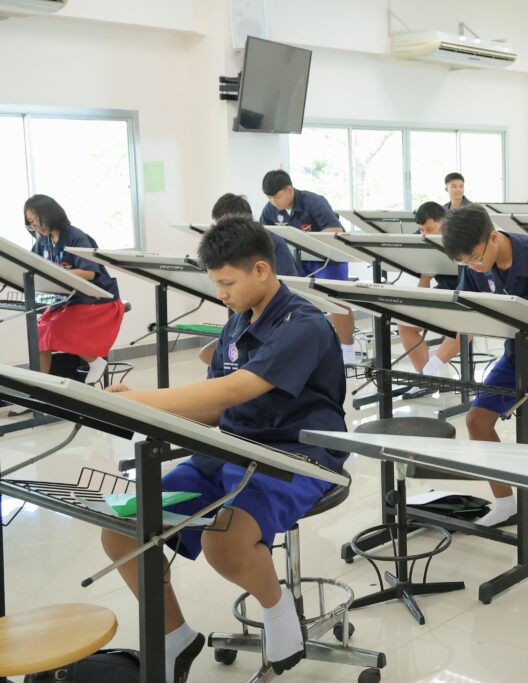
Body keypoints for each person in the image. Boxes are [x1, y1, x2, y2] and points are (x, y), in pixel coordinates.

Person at [100, 216, 350, 683]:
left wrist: (141, 399)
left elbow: (234, 391)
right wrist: (144, 417)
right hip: (228, 449)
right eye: (215, 283)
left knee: (224, 541)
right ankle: (175, 637)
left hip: (295, 456)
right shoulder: (237, 324)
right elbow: (214, 410)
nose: (221, 294)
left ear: (261, 269)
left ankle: (279, 611)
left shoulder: (304, 324)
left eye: (227, 283)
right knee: (121, 529)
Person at [441, 204, 528, 549]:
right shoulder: (475, 266)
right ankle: (506, 502)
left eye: (476, 257)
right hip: (516, 354)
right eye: (465, 262)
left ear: (493, 237)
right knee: (477, 421)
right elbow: (470, 310)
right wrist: (437, 358)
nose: (474, 266)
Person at [24, 194, 124, 384]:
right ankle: (38, 386)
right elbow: (32, 264)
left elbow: (89, 273)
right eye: (31, 223)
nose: (35, 226)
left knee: (53, 328)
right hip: (67, 299)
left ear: (50, 215)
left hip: (96, 300)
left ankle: (95, 361)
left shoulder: (77, 237)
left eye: (37, 220)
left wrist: (56, 272)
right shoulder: (44, 241)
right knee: (38, 333)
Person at [259, 170, 356, 363]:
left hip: (328, 259)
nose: (273, 202)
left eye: (277, 197)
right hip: (297, 261)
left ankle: (348, 351)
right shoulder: (270, 210)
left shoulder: (313, 202)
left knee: (335, 300)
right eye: (269, 198)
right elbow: (263, 235)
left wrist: (302, 239)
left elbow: (335, 229)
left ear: (289, 190)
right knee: (291, 299)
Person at [198, 194, 299, 366]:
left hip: (274, 318)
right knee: (209, 354)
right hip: (246, 318)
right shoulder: (235, 321)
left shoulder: (269, 244)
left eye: (227, 283)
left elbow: (291, 287)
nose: (220, 294)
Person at [397, 201, 464, 397]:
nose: (424, 234)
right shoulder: (423, 241)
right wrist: (425, 277)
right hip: (441, 293)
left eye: (429, 229)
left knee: (463, 327)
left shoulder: (461, 238)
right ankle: (425, 379)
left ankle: (428, 372)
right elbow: (424, 290)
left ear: (444, 223)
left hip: (468, 293)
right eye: (421, 230)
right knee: (406, 325)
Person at [213, 193, 298, 277]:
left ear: (244, 222)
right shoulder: (225, 244)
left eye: (226, 227)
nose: (222, 232)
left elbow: (289, 282)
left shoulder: (272, 242)